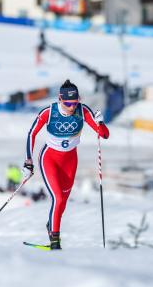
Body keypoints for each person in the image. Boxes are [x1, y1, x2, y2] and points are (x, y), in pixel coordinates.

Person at [23, 79, 110, 250]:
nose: (72, 107)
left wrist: (100, 122)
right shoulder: (49, 112)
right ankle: (55, 242)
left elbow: (104, 135)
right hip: (49, 159)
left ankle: (51, 226)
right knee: (58, 198)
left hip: (70, 161)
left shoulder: (82, 111)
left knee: (62, 203)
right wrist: (28, 161)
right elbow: (32, 133)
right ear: (60, 99)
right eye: (68, 103)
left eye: (75, 102)